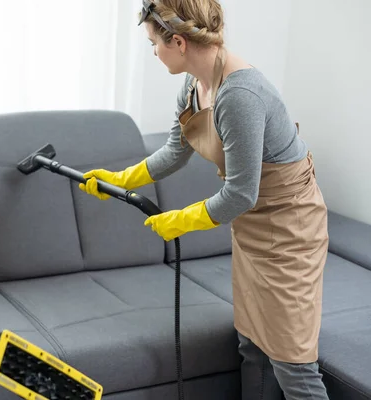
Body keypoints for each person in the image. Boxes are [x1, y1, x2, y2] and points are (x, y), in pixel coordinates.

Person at [78, 0, 330, 399]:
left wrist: (182, 220)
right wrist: (122, 178)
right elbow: (175, 151)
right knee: (252, 345)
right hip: (252, 227)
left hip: (289, 228)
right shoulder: (197, 84)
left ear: (178, 41)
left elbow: (241, 193)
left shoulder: (240, 96)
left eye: (153, 44)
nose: (154, 53)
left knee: (291, 358)